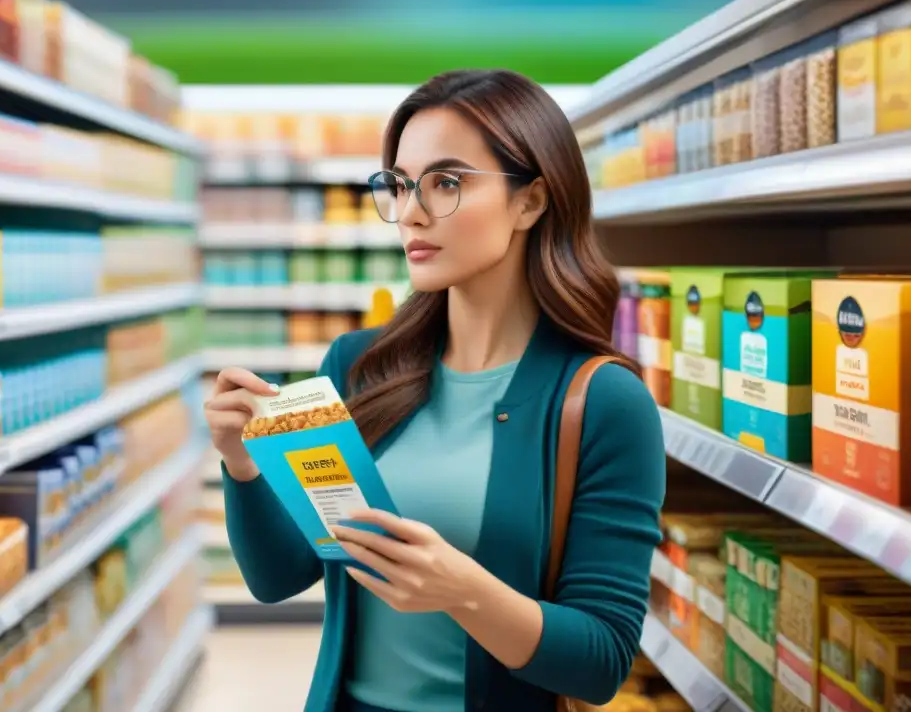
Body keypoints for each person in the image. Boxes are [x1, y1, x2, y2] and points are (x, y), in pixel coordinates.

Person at [205, 69, 666, 712]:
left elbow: (601, 661)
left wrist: (462, 590)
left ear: (530, 201)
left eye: (446, 183)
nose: (412, 213)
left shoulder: (603, 402)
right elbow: (281, 576)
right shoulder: (356, 366)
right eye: (399, 185)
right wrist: (243, 464)